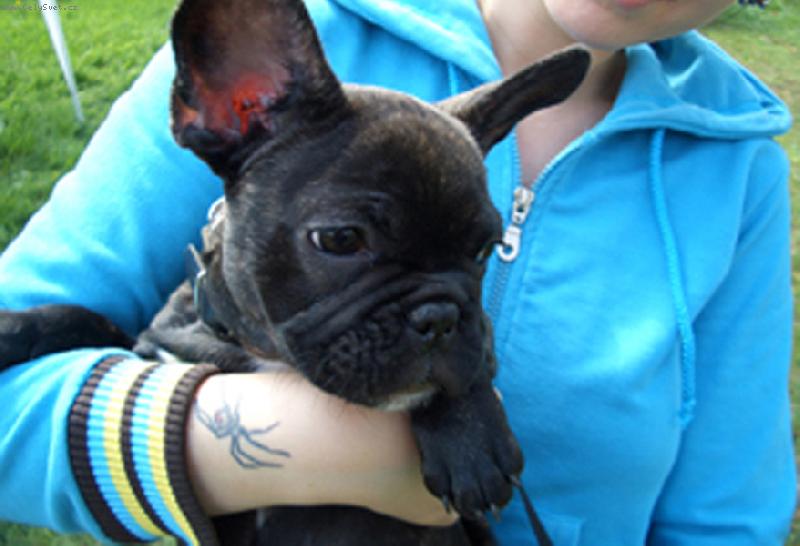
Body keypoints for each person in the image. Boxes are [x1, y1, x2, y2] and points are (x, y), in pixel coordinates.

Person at [0, 0, 794, 544]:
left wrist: (453, 400)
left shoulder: (736, 172)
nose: (433, 314)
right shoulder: (286, 91)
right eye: (344, 241)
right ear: (230, 109)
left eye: (474, 256)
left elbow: (728, 518)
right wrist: (323, 448)